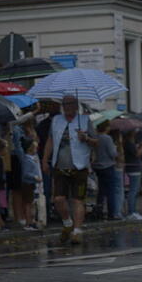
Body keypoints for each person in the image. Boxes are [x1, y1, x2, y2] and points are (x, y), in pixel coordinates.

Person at [43, 95, 97, 245]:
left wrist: (86, 138)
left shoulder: (85, 120)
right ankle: (67, 223)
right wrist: (45, 160)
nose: (67, 107)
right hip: (60, 165)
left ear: (76, 105)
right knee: (58, 199)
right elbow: (50, 140)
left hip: (79, 165)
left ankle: (77, 231)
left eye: (70, 104)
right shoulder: (56, 120)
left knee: (77, 199)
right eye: (64, 104)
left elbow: (96, 141)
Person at [92, 121, 120, 220]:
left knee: (101, 191)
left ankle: (99, 211)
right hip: (108, 166)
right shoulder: (107, 138)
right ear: (106, 127)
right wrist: (117, 151)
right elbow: (112, 154)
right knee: (110, 191)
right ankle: (111, 213)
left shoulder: (95, 137)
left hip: (97, 166)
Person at [123, 130, 142, 220]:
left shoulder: (130, 143)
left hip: (135, 169)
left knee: (135, 191)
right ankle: (131, 212)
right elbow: (137, 153)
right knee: (133, 191)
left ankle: (134, 211)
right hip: (134, 169)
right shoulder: (129, 143)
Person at [21, 140, 44, 229]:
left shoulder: (33, 158)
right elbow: (26, 173)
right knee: (28, 204)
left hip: (33, 185)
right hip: (28, 184)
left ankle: (32, 221)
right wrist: (35, 177)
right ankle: (28, 222)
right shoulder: (26, 159)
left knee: (32, 204)